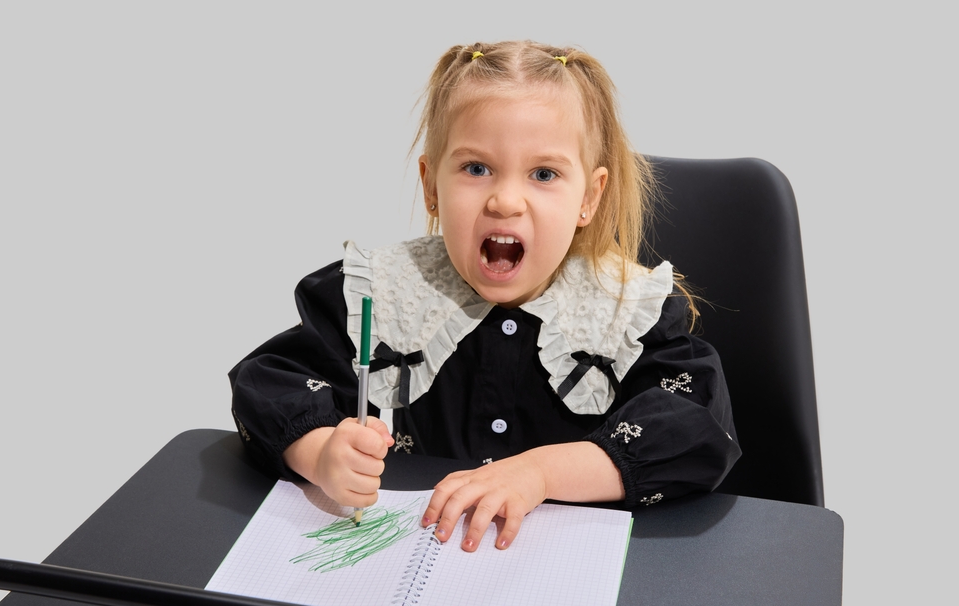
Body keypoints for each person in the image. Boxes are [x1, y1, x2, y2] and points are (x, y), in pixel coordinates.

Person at [229, 40, 740, 553]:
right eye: (476, 168)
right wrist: (321, 453)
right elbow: (272, 382)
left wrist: (540, 473)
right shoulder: (383, 292)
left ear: (589, 197)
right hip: (419, 553)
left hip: (570, 573)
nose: (504, 200)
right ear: (432, 185)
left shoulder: (627, 312)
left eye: (544, 174)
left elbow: (694, 427)